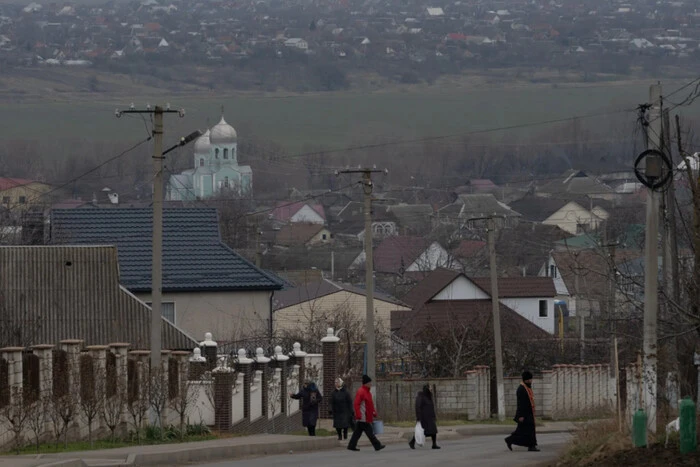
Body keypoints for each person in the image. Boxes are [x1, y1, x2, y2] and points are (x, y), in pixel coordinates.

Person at [347, 375, 386, 452]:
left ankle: (351, 445)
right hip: (363, 416)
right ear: (366, 383)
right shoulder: (361, 392)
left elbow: (370, 404)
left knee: (357, 433)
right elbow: (356, 404)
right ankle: (377, 445)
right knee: (370, 432)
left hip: (366, 416)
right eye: (369, 382)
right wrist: (358, 414)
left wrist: (373, 412)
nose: (371, 384)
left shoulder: (368, 392)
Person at [505, 371, 540, 452]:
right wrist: (521, 415)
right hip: (524, 414)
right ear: (526, 380)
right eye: (530, 379)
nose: (531, 381)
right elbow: (521, 404)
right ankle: (511, 440)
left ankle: (530, 445)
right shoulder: (521, 389)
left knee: (525, 430)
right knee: (524, 431)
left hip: (529, 413)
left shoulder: (527, 388)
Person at [409, 384, 440, 449]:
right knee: (423, 431)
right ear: (427, 388)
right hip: (423, 417)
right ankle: (412, 441)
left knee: (433, 430)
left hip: (430, 417)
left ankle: (434, 444)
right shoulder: (421, 396)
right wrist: (418, 417)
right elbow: (418, 407)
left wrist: (434, 416)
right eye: (430, 387)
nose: (431, 389)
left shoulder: (429, 396)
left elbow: (431, 407)